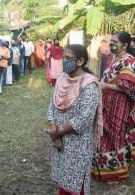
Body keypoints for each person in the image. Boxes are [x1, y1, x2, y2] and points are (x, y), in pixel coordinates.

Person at [92, 32, 135, 182]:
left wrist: (106, 85)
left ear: (125, 45)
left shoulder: (130, 62)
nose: (111, 44)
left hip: (120, 105)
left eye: (114, 42)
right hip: (106, 103)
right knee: (104, 134)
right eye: (111, 41)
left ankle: (118, 172)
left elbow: (131, 89)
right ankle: (104, 170)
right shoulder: (113, 58)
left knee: (117, 136)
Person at [46, 44, 102, 195]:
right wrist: (52, 126)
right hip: (59, 140)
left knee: (77, 182)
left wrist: (58, 131)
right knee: (63, 175)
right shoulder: (61, 79)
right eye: (63, 57)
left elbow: (85, 118)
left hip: (78, 142)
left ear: (80, 61)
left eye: (68, 58)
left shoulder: (89, 85)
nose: (64, 61)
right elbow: (52, 105)